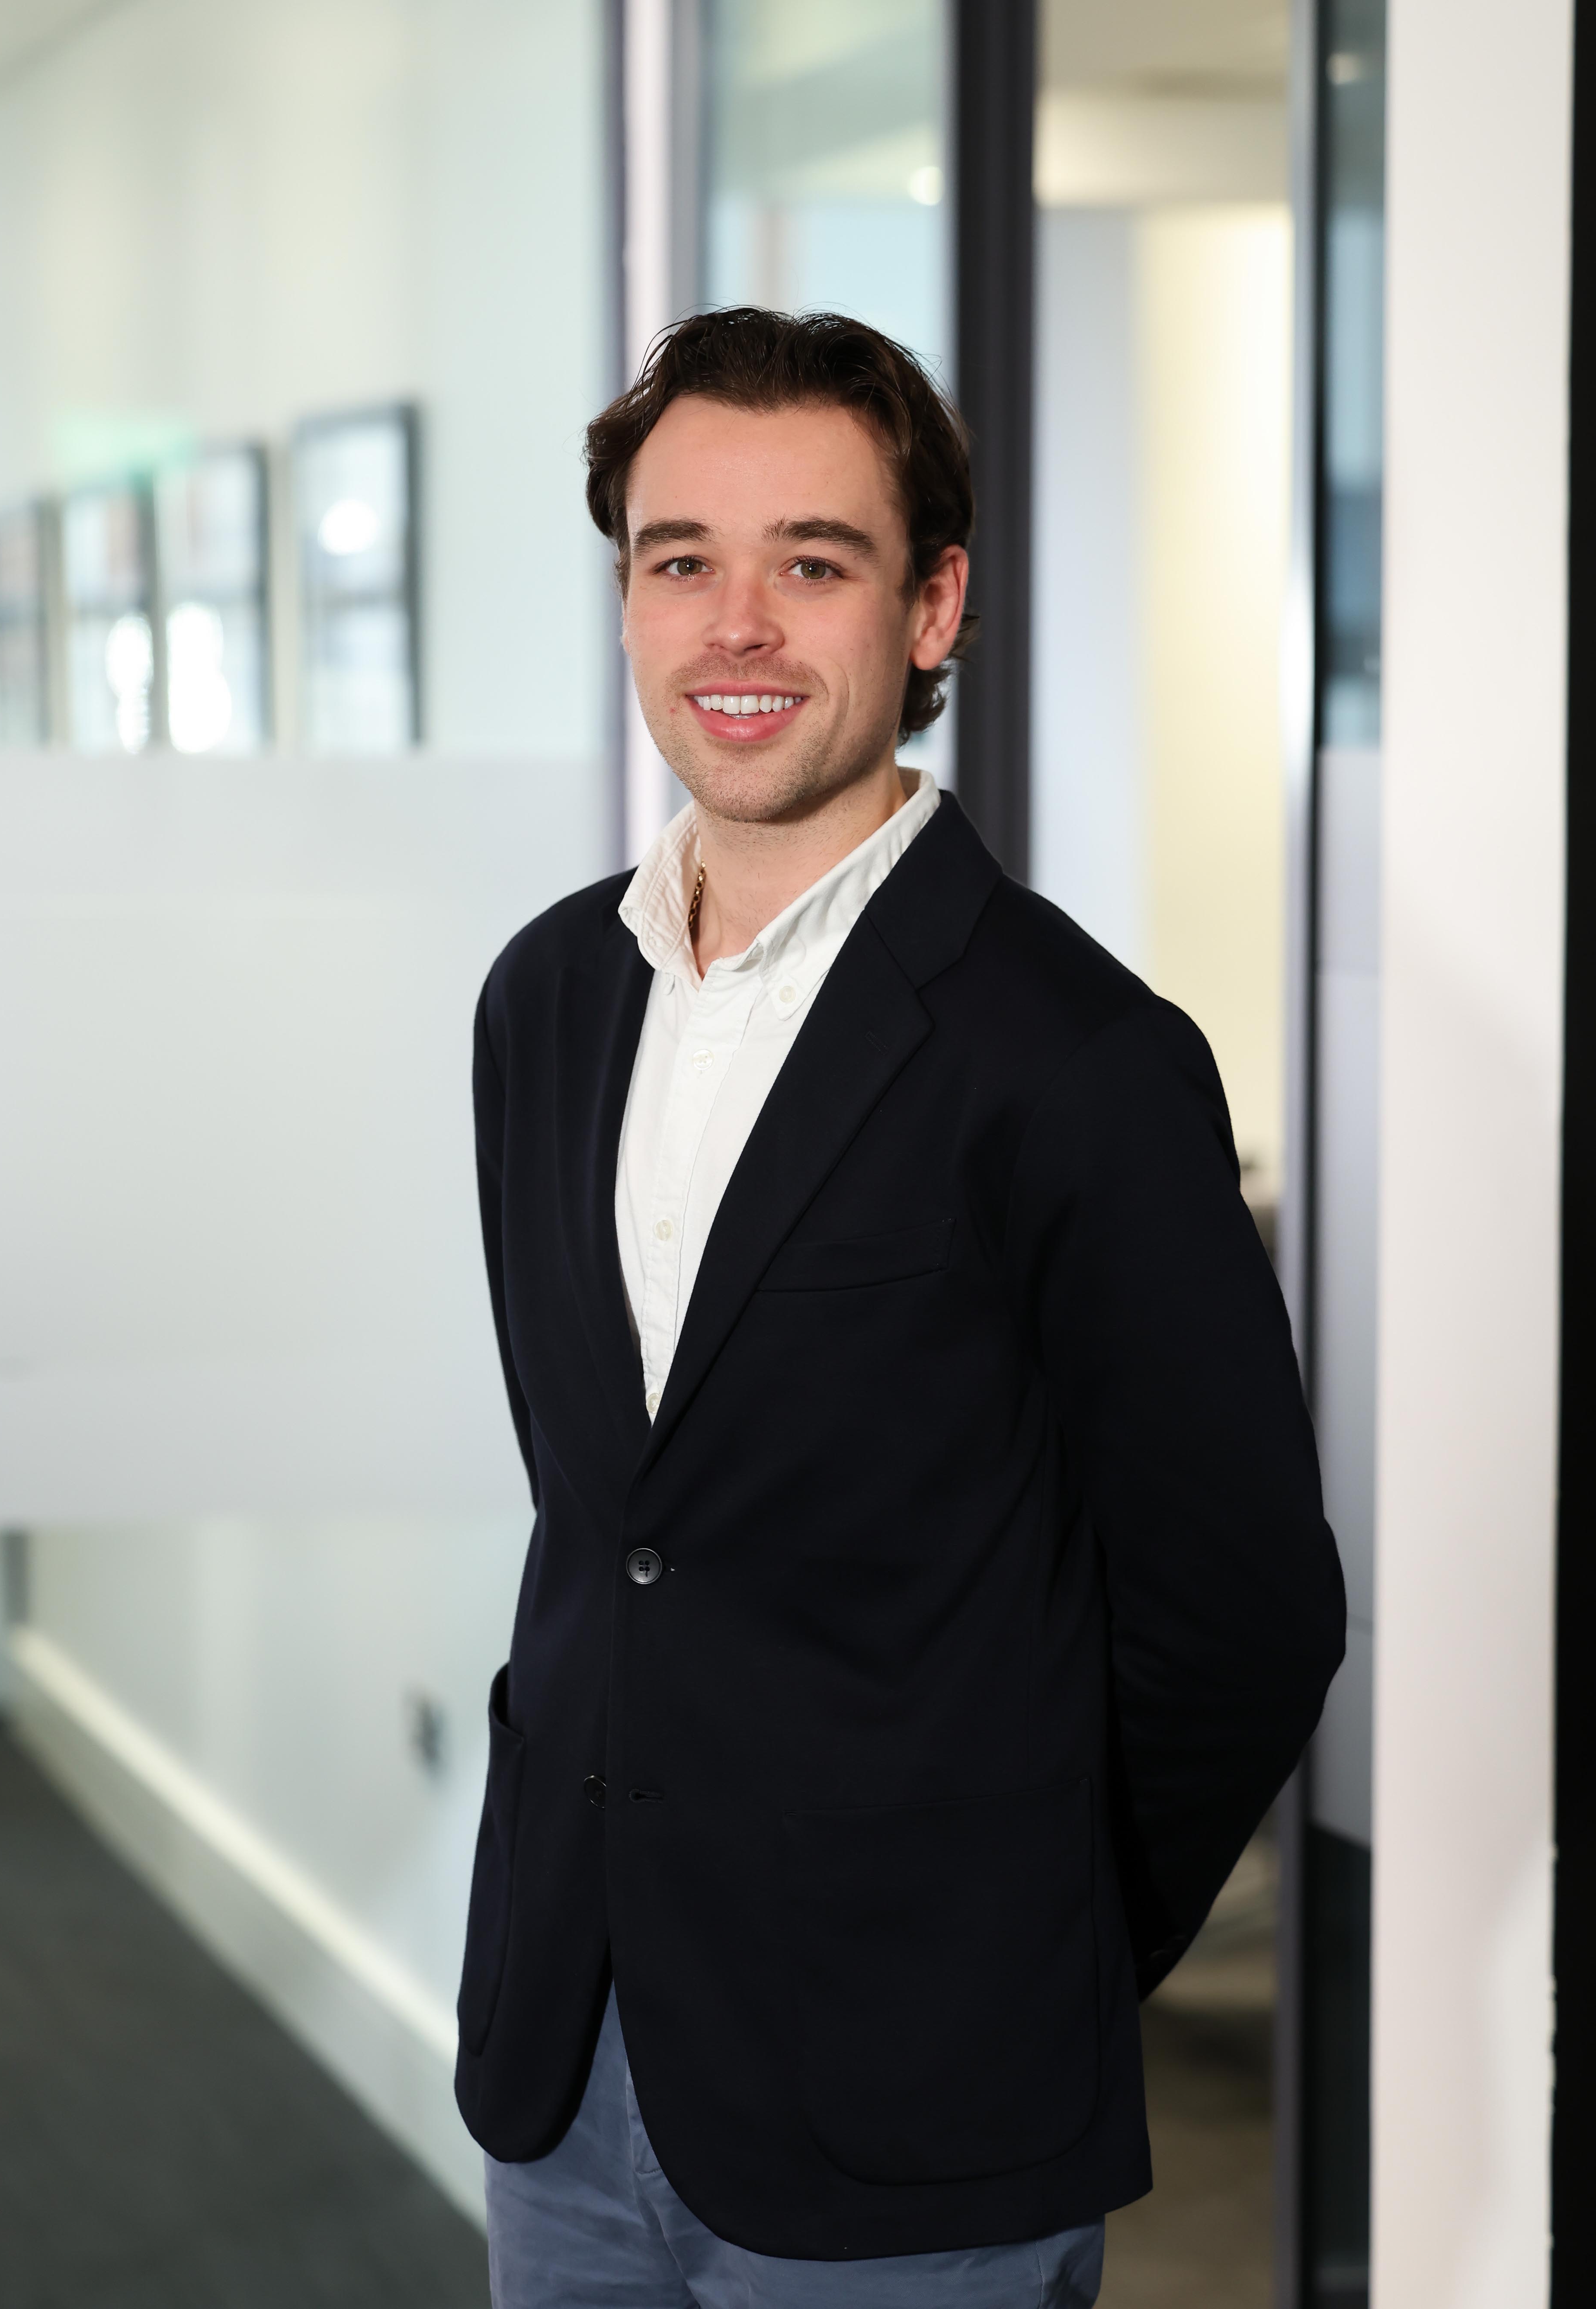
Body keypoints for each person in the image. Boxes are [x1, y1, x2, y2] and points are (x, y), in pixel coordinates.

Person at [456, 306, 1345, 2307]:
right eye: (682, 561)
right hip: (570, 2057)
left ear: (934, 609)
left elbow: (1246, 1612)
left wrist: (1014, 1948)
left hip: (916, 2097)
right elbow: (617, 1522)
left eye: (816, 563)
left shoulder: (1080, 1057)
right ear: (629, 605)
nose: (737, 624)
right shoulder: (548, 1003)